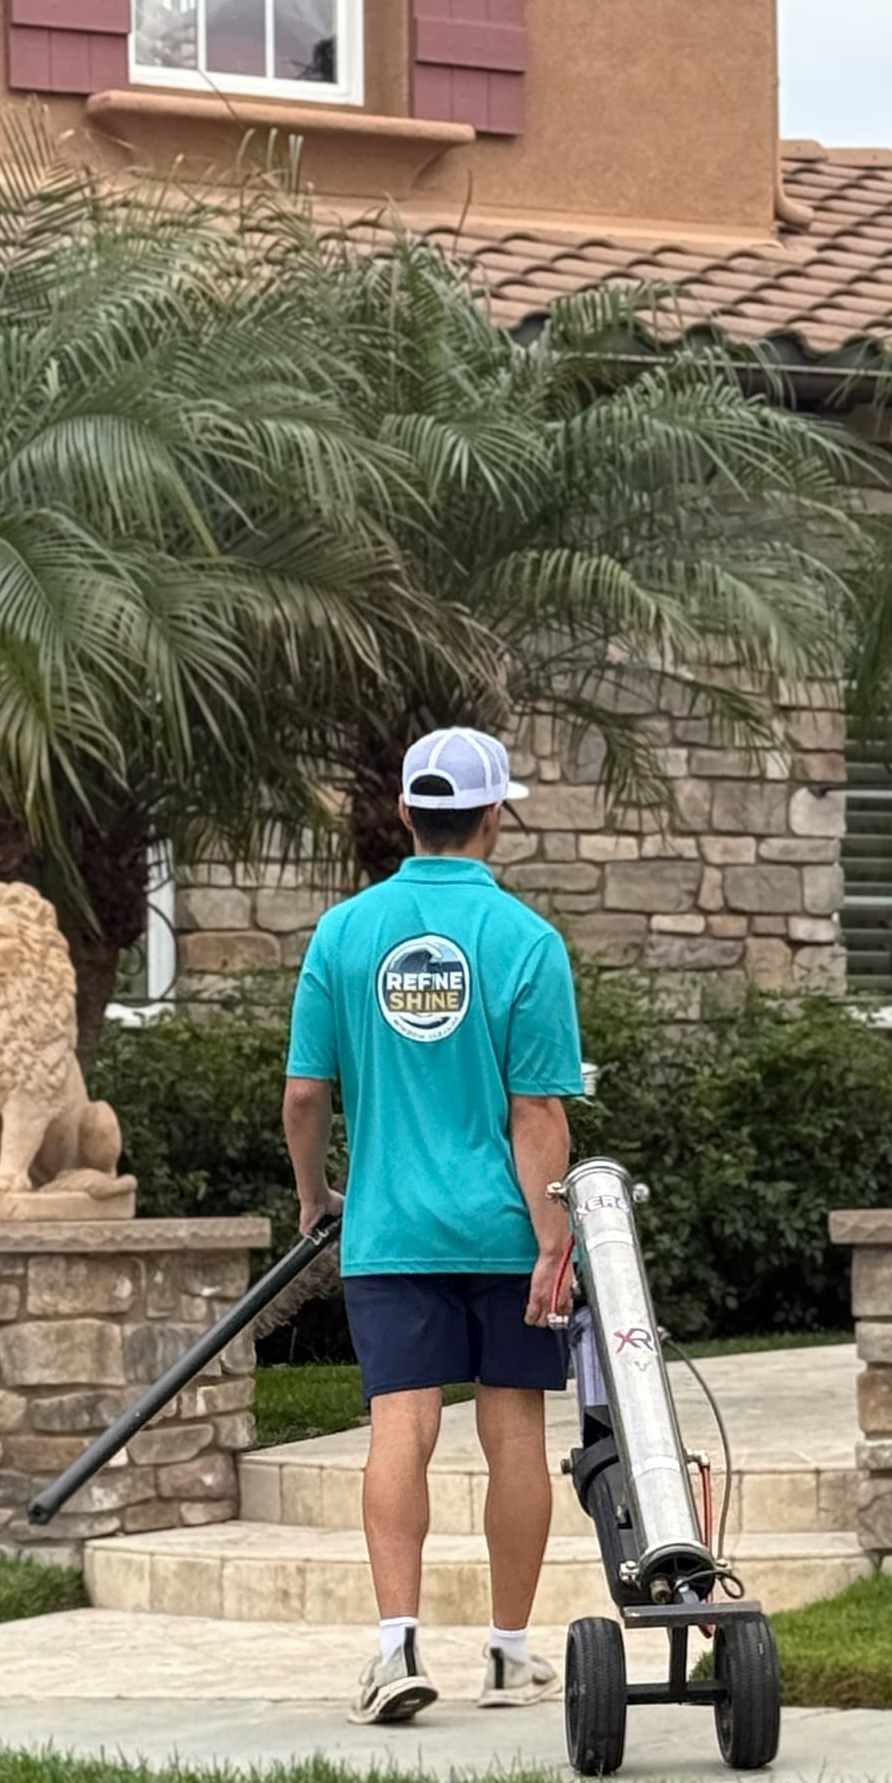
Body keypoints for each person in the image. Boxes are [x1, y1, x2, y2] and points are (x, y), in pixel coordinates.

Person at [283, 726, 585, 1725]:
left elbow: (304, 1093)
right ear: (495, 817)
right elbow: (537, 1111)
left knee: (399, 1429)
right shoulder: (528, 943)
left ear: (407, 812)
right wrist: (554, 1240)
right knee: (515, 1438)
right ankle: (507, 1655)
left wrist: (316, 1196)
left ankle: (397, 1649)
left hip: (390, 1227)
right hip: (505, 1229)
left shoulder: (344, 935)